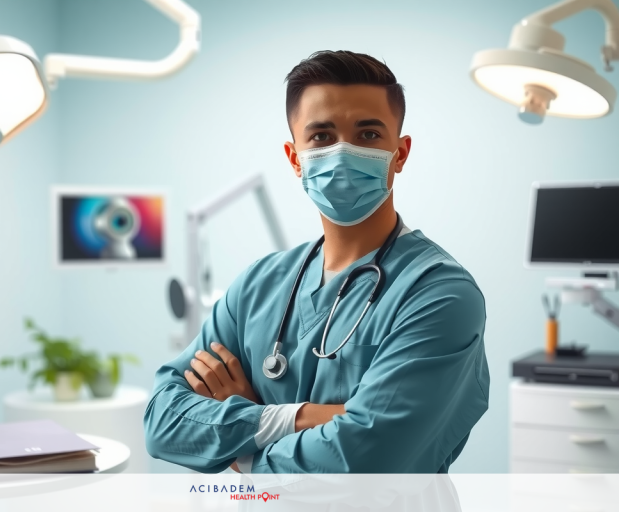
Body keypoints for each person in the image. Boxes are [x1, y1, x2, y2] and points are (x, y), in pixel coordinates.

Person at [143, 50, 490, 473]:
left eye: (367, 135)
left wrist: (241, 451)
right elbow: (163, 420)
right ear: (295, 158)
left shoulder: (439, 294)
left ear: (400, 153)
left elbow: (366, 458)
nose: (343, 153)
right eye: (322, 137)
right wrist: (298, 417)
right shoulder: (257, 286)